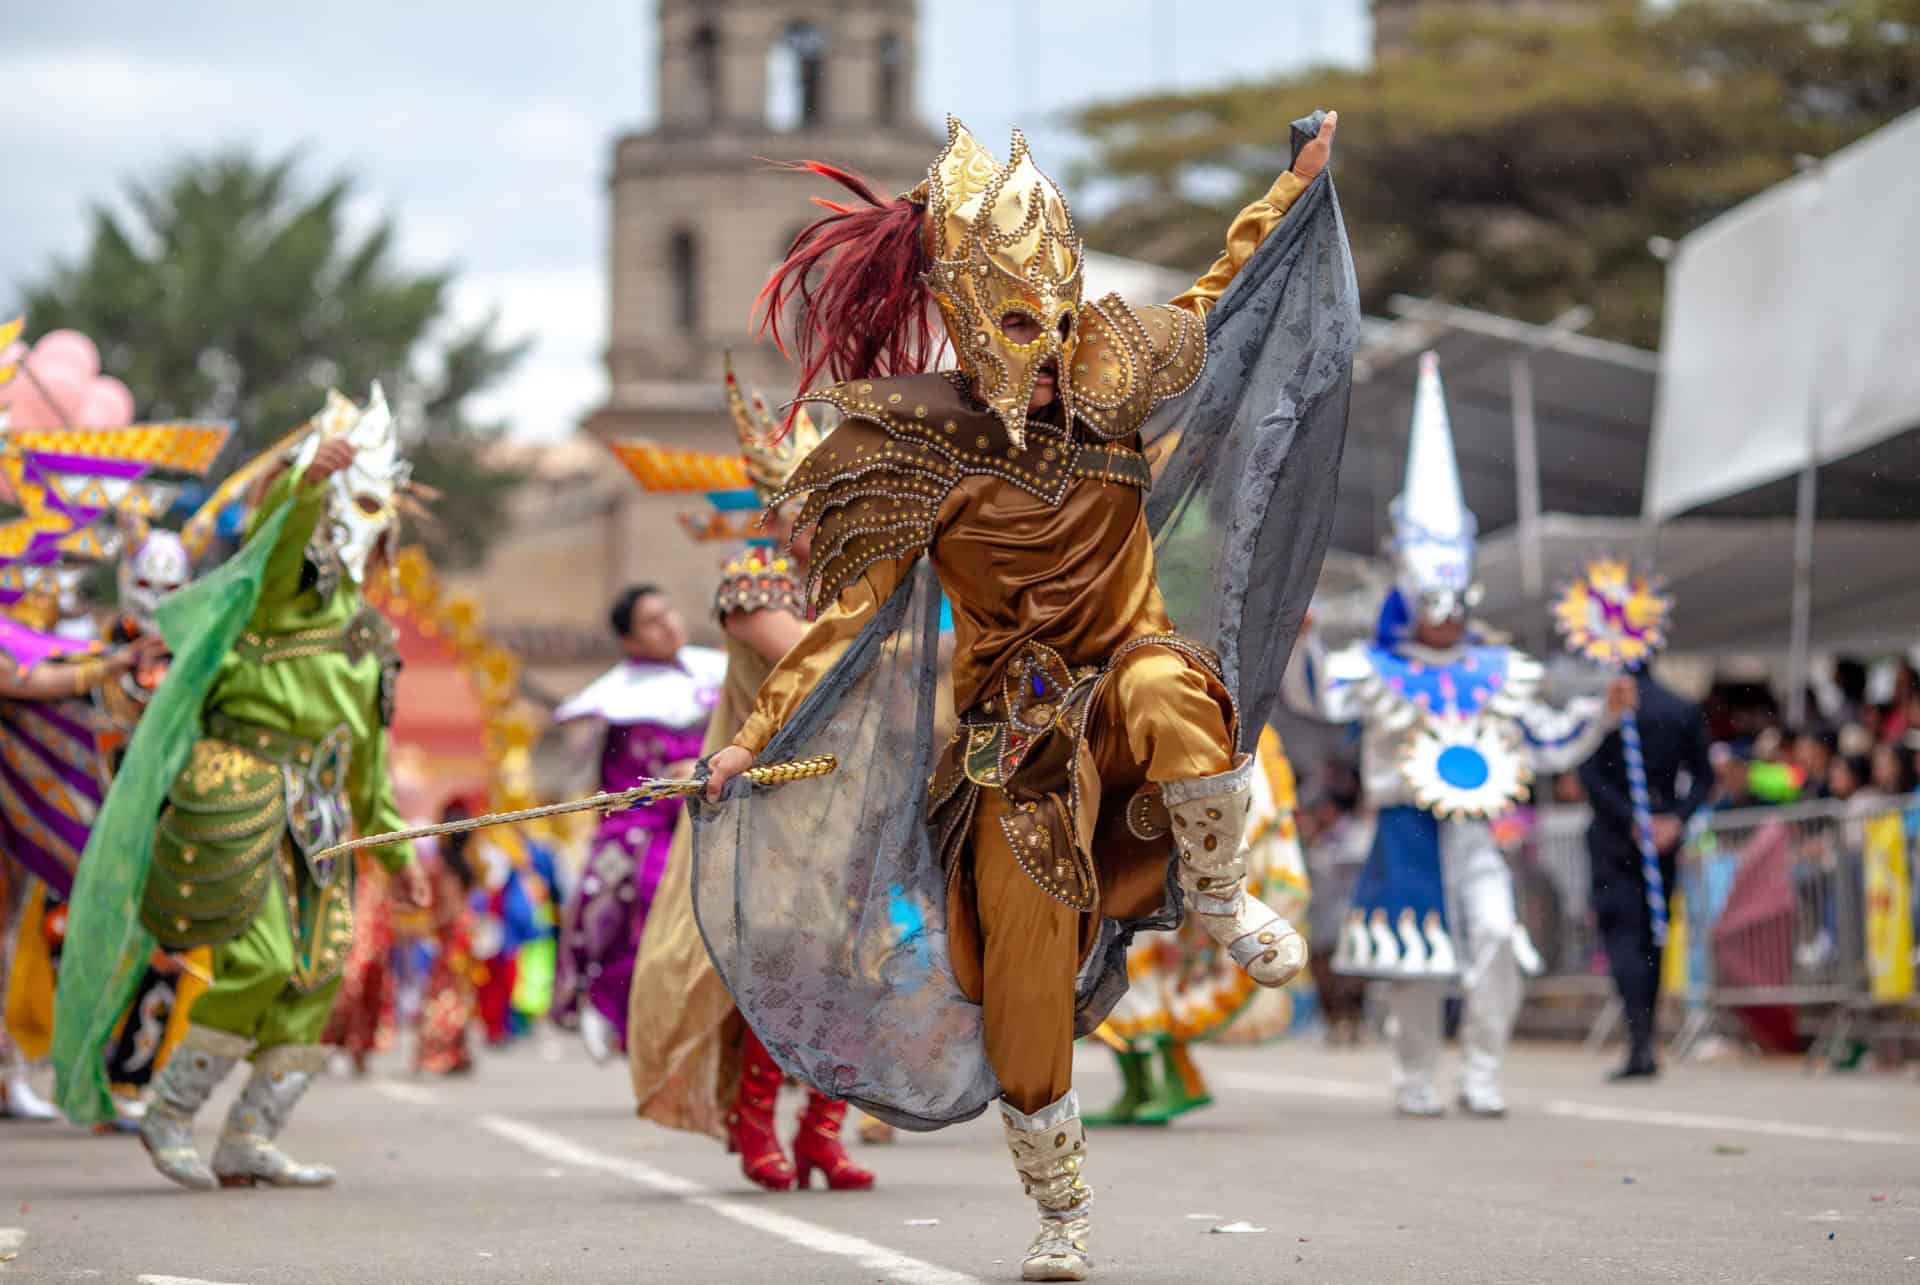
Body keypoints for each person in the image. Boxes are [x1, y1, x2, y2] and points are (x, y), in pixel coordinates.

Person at [698, 109, 1353, 1282]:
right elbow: (841, 625)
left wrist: (1292, 184)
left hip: (1123, 695)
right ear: (962, 314)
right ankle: (1060, 1215)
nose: (1048, 346)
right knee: (1026, 984)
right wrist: (747, 740)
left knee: (1170, 686)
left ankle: (1215, 890)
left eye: (1058, 317)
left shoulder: (1121, 376)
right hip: (1014, 745)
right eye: (1017, 322)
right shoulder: (912, 446)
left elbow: (1228, 285)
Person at [53, 385, 428, 1190]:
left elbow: (368, 758)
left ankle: (250, 1134)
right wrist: (303, 481)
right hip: (244, 786)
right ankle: (169, 1113)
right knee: (258, 958)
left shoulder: (368, 636)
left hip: (324, 815)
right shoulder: (281, 596)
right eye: (353, 505)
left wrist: (397, 850)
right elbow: (276, 532)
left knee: (318, 970)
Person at [1286, 352, 1632, 1120]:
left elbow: (1544, 738)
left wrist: (1602, 711)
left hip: (1477, 830)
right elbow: (1318, 693)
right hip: (1403, 827)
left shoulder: (1498, 666)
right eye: (1430, 597)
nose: (1444, 611)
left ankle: (1482, 1068)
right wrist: (1304, 642)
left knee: (1501, 936)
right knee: (1415, 963)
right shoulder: (1374, 666)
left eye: (1452, 596)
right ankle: (1414, 1076)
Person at [624, 361, 875, 1192]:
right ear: (783, 509)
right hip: (766, 801)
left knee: (855, 964)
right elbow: (807, 662)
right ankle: (756, 1120)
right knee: (785, 962)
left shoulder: (841, 586)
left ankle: (823, 1130)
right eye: (818, 505)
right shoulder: (755, 579)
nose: (832, 519)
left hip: (843, 798)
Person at [1086, 728, 1309, 1125]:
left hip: (1173, 847)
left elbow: (1249, 797)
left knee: (1151, 968)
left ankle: (1178, 1080)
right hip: (1115, 833)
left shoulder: (1213, 709)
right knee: (1101, 966)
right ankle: (1135, 1084)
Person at [550, 584, 723, 1063]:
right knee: (645, 892)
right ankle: (612, 1004)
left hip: (719, 814)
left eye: (667, 610)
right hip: (648, 826)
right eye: (651, 620)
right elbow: (622, 785)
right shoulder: (618, 701)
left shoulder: (716, 671)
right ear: (631, 641)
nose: (668, 622)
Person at [1578, 667, 1713, 1081]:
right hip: (1648, 833)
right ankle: (1643, 1039)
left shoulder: (1610, 710)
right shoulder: (1678, 707)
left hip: (1622, 842)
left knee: (1630, 939)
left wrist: (1652, 820)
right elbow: (1703, 778)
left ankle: (1641, 1039)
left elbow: (1590, 775)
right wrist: (1672, 818)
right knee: (1648, 941)